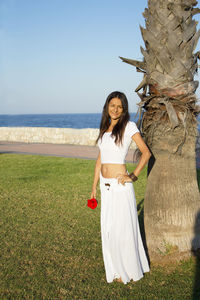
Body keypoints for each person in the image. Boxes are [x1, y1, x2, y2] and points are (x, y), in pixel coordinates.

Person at [91, 91, 151, 285]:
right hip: (105, 186)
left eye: (119, 106)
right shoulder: (105, 128)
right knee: (109, 229)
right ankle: (115, 270)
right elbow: (100, 161)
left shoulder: (129, 126)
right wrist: (94, 188)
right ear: (107, 107)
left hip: (120, 186)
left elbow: (146, 153)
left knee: (123, 229)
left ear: (124, 109)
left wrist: (132, 176)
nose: (115, 109)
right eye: (112, 105)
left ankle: (130, 270)